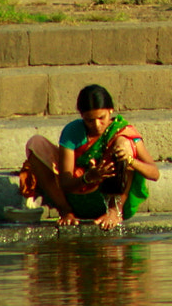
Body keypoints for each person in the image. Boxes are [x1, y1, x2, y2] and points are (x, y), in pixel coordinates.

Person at [21, 84, 159, 228]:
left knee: (124, 143)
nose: (97, 125)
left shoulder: (122, 130)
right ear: (82, 116)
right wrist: (89, 177)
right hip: (75, 198)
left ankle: (114, 212)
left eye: (101, 118)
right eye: (89, 120)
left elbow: (154, 174)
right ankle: (65, 212)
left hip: (108, 198)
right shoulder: (73, 132)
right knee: (35, 143)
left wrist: (129, 160)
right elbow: (65, 182)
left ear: (111, 110)